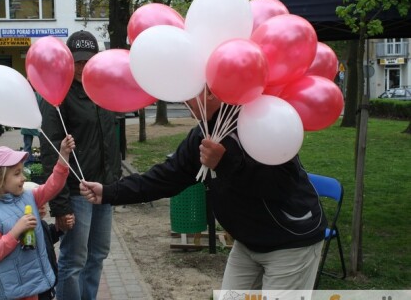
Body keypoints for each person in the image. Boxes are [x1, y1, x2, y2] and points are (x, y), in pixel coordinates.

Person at [80, 91, 327, 298]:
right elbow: (167, 177)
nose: (183, 100)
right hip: (249, 241)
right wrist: (110, 193)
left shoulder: (260, 121)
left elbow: (280, 185)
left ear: (209, 92)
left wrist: (225, 163)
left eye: (189, 92)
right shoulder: (203, 132)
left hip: (291, 242)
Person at [39, 30, 122, 300]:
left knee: (97, 255)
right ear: (67, 60)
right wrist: (60, 205)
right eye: (77, 61)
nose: (83, 67)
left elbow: (110, 140)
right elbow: (52, 153)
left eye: (89, 60)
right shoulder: (58, 96)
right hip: (76, 192)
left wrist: (114, 183)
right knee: (73, 260)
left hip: (103, 190)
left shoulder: (104, 90)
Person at [0, 135, 75, 300]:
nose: (23, 178)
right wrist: (15, 232)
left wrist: (63, 155)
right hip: (13, 291)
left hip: (35, 283)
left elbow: (53, 186)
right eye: (16, 174)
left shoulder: (28, 196)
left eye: (22, 171)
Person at [23, 182, 75, 300]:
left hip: (47, 282)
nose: (43, 206)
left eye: (44, 203)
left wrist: (61, 227)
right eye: (38, 203)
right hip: (36, 284)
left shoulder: (42, 224)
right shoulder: (26, 230)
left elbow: (48, 236)